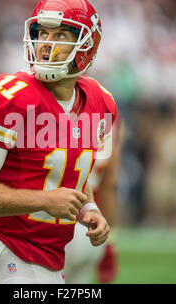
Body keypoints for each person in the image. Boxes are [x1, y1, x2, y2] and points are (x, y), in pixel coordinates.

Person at [0, 0, 118, 284]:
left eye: (61, 35)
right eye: (42, 33)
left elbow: (67, 177)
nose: (46, 44)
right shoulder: (12, 98)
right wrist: (43, 200)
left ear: (87, 46)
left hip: (52, 258)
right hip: (6, 253)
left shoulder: (99, 101)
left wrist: (88, 209)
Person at [64, 120, 124, 284]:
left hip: (55, 220)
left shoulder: (54, 109)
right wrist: (110, 239)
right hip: (92, 225)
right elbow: (109, 186)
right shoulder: (110, 119)